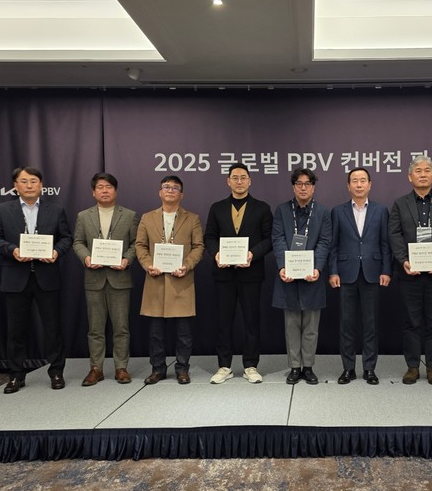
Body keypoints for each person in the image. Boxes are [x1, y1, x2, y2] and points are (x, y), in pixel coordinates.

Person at [0, 166, 73, 393]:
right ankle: (16, 375)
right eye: (24, 181)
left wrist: (56, 252)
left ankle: (56, 371)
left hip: (47, 277)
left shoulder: (56, 210)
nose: (29, 185)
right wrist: (12, 250)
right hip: (15, 277)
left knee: (53, 329)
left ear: (41, 185)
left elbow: (66, 238)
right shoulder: (2, 210)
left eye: (33, 181)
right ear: (15, 186)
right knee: (16, 330)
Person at [389, 155, 432, 385]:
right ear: (410, 177)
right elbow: (394, 234)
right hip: (409, 273)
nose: (422, 174)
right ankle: (412, 366)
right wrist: (403, 260)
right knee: (411, 321)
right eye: (418, 171)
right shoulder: (400, 204)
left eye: (427, 170)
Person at [205, 163, 273, 384]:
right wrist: (216, 254)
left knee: (251, 321)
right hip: (223, 274)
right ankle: (224, 366)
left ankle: (251, 366)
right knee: (223, 321)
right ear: (228, 181)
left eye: (243, 177)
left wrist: (253, 254)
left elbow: (269, 239)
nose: (239, 181)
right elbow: (209, 236)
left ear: (250, 181)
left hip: (251, 273)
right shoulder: (217, 208)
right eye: (235, 177)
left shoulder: (262, 208)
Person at [135, 175, 204, 385]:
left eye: (175, 188)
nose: (170, 190)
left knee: (184, 333)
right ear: (160, 192)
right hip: (155, 281)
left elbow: (198, 247)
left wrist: (187, 265)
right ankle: (158, 369)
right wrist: (148, 264)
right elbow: (140, 245)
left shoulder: (192, 218)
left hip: (181, 280)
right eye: (166, 187)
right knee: (156, 333)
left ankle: (182, 369)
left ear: (182, 194)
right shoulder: (147, 218)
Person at [72, 172, 138, 386]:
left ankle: (121, 367)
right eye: (100, 187)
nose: (105, 190)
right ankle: (96, 368)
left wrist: (127, 260)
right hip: (94, 278)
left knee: (121, 327)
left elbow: (136, 244)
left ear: (115, 191)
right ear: (93, 192)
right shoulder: (84, 216)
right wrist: (86, 258)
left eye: (109, 187)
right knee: (95, 328)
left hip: (120, 278)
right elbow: (77, 242)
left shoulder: (129, 215)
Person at [329, 167, 392, 385]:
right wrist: (333, 271)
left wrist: (386, 270)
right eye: (354, 181)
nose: (358, 184)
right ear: (348, 186)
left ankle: (369, 368)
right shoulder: (338, 211)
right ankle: (348, 368)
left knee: (370, 323)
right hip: (346, 273)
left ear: (370, 184)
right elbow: (333, 245)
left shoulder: (381, 210)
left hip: (372, 273)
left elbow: (385, 244)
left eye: (363, 180)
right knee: (347, 324)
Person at [271, 168, 332, 385]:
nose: (303, 188)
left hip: (311, 276)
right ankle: (295, 367)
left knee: (311, 327)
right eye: (299, 184)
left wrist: (317, 268)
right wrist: (283, 266)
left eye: (307, 184)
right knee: (292, 325)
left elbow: (325, 241)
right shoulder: (282, 210)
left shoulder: (323, 212)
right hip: (288, 276)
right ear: (293, 187)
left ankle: (308, 367)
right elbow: (278, 238)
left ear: (313, 187)